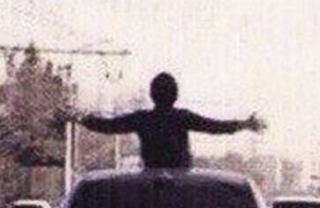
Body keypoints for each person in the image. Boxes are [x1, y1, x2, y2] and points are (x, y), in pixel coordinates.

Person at [80, 72, 265, 169]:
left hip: (150, 175)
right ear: (176, 95)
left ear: (152, 95)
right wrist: (245, 124)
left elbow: (108, 126)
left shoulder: (142, 119)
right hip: (182, 176)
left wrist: (81, 118)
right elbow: (214, 126)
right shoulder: (183, 118)